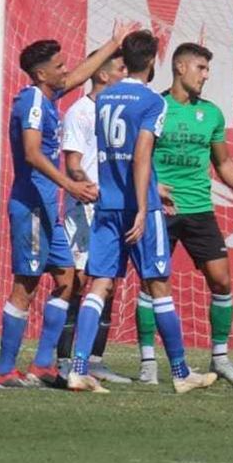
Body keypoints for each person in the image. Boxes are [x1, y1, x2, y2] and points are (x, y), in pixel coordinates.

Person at [68, 30, 217, 395]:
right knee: (159, 285)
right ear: (153, 61)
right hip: (138, 208)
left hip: (106, 204)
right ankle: (181, 373)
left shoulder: (104, 98)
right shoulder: (153, 101)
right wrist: (142, 207)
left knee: (98, 284)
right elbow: (141, 155)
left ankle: (78, 369)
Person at [133, 43, 233, 386]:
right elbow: (135, 155)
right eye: (201, 68)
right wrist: (152, 187)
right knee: (151, 282)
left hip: (200, 209)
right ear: (180, 67)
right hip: (161, 209)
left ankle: (221, 358)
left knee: (222, 281)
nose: (206, 75)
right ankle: (147, 363)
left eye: (207, 69)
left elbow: (224, 162)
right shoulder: (155, 106)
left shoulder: (212, 113)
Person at [0, 24, 129, 388]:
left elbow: (81, 74)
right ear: (41, 74)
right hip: (31, 206)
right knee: (26, 283)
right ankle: (4, 370)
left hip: (47, 207)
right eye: (58, 65)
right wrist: (71, 184)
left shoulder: (48, 97)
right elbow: (32, 153)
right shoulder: (33, 102)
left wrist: (113, 43)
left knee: (68, 281)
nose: (65, 69)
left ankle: (42, 365)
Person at [57, 52, 131, 384]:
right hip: (84, 205)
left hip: (113, 205)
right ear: (102, 76)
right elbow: (72, 161)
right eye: (120, 69)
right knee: (76, 283)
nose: (125, 73)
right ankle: (62, 360)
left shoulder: (119, 112)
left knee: (108, 282)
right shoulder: (80, 112)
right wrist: (81, 184)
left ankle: (95, 360)